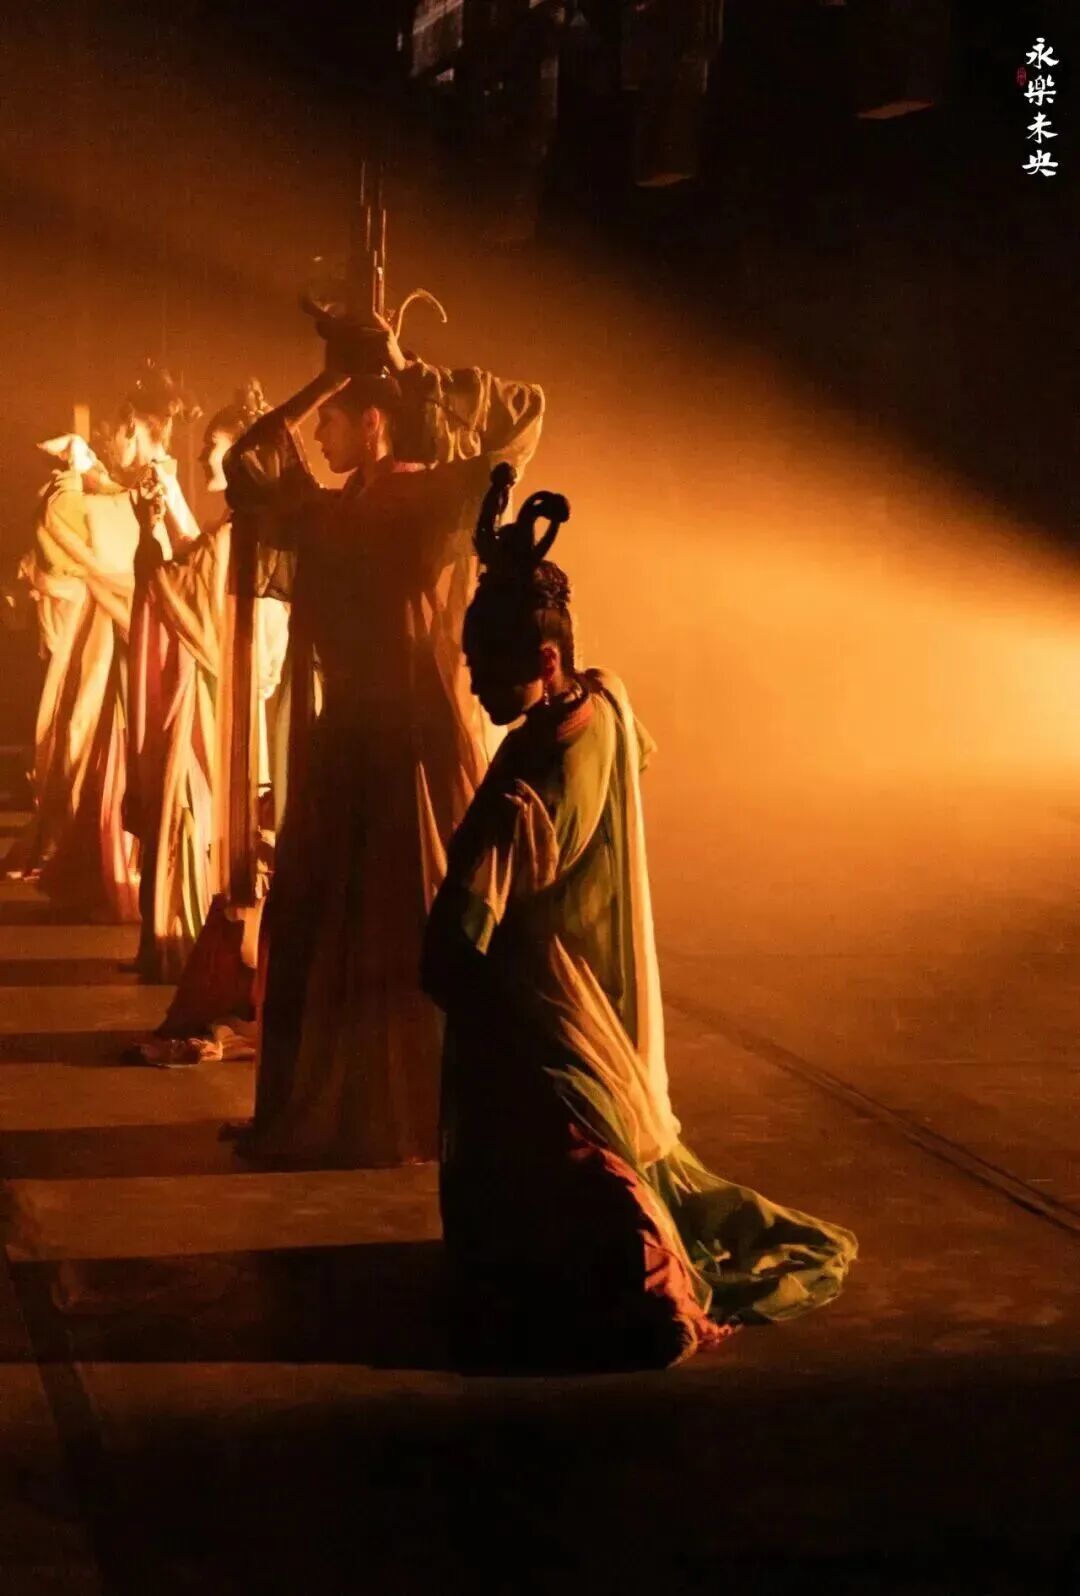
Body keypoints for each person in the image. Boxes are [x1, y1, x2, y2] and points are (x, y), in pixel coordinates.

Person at [422, 467, 858, 1372]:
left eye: (489, 668)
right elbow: (639, 758)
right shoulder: (607, 703)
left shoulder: (523, 794)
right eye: (471, 666)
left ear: (546, 662)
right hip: (605, 993)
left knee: (575, 1185)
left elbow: (454, 943)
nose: (476, 687)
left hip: (547, 1011)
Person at [225, 311, 544, 1166]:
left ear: (374, 424)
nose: (317, 434)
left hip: (409, 733)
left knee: (406, 906)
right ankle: (346, 1096)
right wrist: (331, 376)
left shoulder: (428, 498)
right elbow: (247, 461)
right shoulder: (333, 512)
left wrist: (404, 367)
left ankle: (418, 1099)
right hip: (346, 737)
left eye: (332, 420)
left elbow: (522, 420)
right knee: (332, 912)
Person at [7, 368, 198, 921]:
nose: (111, 443)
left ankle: (122, 868)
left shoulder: (155, 483)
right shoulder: (142, 483)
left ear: (133, 426)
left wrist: (73, 474)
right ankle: (104, 862)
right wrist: (86, 470)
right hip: (125, 641)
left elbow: (70, 529)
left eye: (115, 432)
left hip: (136, 645)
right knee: (96, 749)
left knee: (111, 750)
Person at [125, 381, 290, 999]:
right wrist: (169, 506)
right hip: (226, 690)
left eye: (213, 446)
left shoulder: (242, 533)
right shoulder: (251, 528)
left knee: (190, 808)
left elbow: (190, 592)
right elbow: (203, 567)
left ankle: (185, 934)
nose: (202, 456)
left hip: (212, 697)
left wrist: (150, 548)